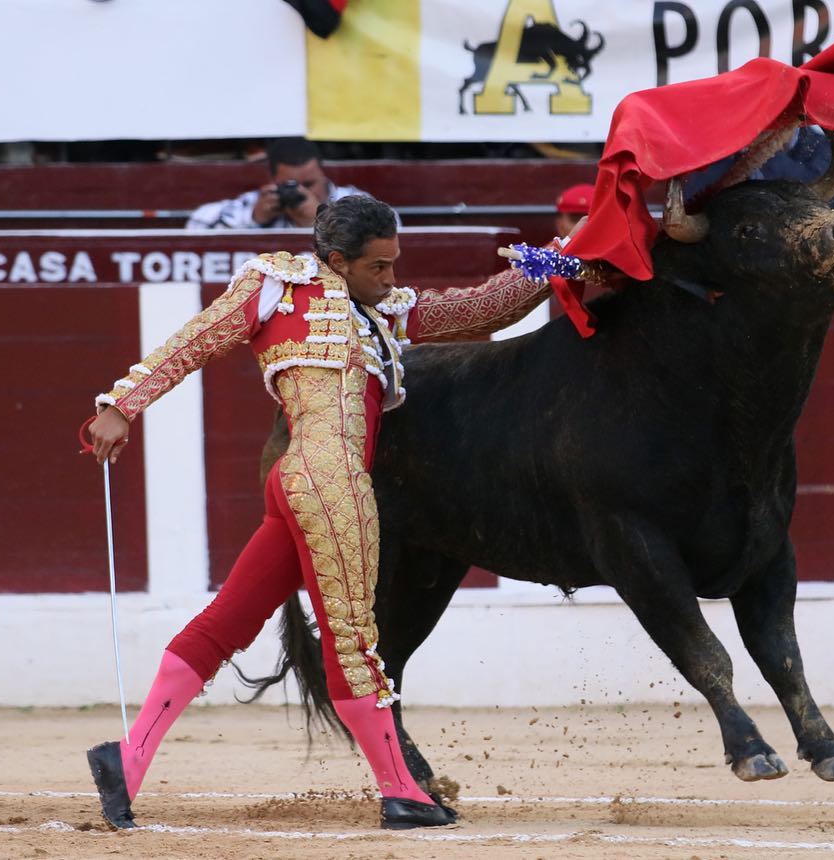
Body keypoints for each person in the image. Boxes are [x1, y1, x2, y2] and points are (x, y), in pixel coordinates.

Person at [85, 195, 583, 831]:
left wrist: (566, 252)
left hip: (296, 486)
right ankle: (401, 792)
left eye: (394, 263)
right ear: (339, 260)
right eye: (379, 267)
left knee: (226, 624)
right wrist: (121, 404)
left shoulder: (382, 311)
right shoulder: (274, 286)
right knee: (353, 643)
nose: (391, 278)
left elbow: (483, 307)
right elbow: (194, 342)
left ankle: (127, 760)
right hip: (331, 485)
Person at [186, 137, 372, 230]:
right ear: (274, 180)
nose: (301, 191)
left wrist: (321, 223)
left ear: (323, 174)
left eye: (309, 184)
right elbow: (197, 224)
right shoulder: (260, 202)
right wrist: (253, 219)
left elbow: (380, 236)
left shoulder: (354, 202)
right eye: (291, 185)